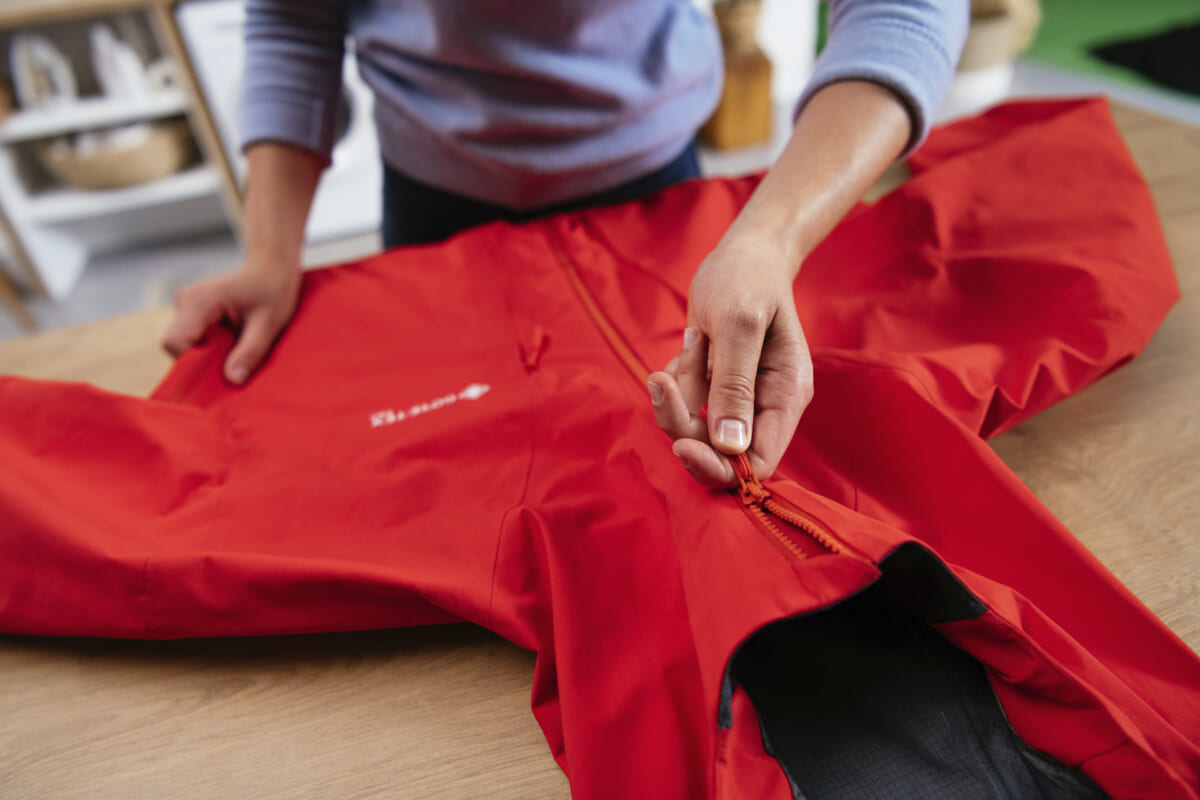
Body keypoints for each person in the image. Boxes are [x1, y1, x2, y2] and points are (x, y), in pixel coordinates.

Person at [162, 0, 968, 487]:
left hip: (658, 198)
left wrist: (770, 240)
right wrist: (270, 254)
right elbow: (294, 19)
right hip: (431, 215)